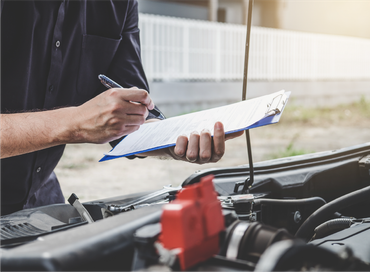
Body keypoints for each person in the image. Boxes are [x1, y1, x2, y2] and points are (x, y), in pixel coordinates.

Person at [0, 0, 243, 216]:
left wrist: (174, 138)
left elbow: (130, 115)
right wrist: (74, 123)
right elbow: (80, 121)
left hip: (41, 201)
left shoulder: (119, 4)